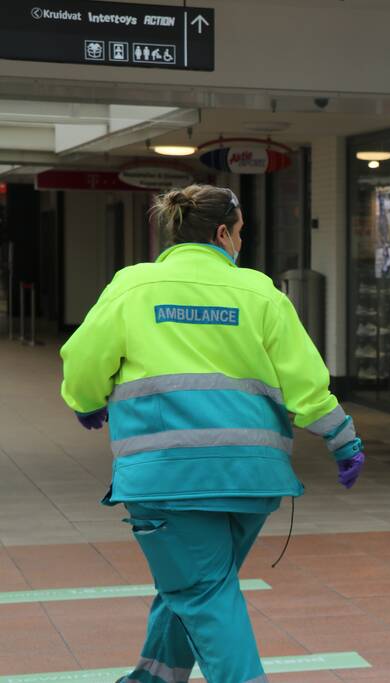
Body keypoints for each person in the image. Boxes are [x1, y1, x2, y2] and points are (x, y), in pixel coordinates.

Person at [60, 184, 366, 683]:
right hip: (252, 479)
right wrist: (343, 440)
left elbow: (84, 362)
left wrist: (87, 401)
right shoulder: (261, 292)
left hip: (167, 479)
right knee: (197, 584)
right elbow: (306, 383)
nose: (241, 243)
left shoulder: (134, 287)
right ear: (223, 233)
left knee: (200, 591)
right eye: (240, 233)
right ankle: (154, 676)